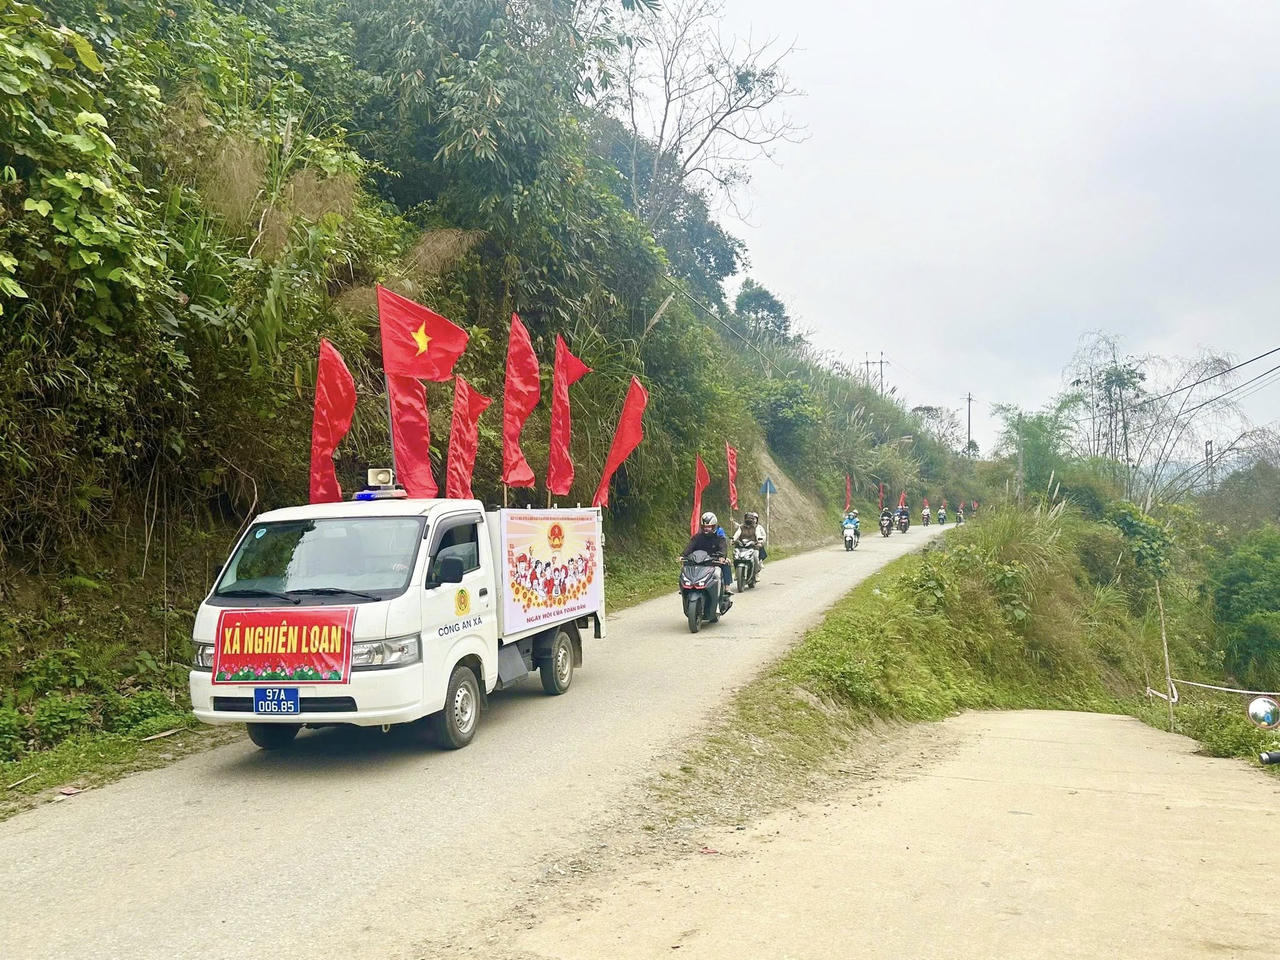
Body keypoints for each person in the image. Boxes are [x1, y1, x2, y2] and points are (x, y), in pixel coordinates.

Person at [682, 511, 732, 595]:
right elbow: (690, 546)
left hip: (714, 561)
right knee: (686, 565)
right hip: (699, 561)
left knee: (726, 564)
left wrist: (722, 556)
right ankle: (685, 586)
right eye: (705, 526)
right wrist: (683, 555)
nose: (706, 528)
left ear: (714, 526)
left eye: (709, 527)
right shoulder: (697, 537)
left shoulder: (719, 538)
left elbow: (723, 547)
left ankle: (727, 587)